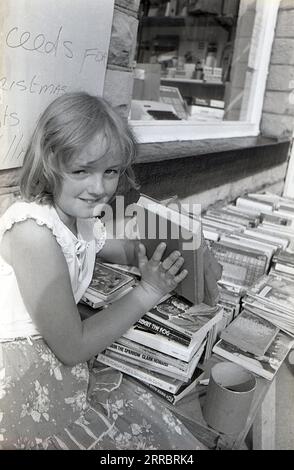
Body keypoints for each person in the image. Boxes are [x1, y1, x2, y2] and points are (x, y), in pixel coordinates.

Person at [0, 92, 210, 450]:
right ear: (50, 162)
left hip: (55, 352)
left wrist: (181, 244)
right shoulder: (33, 231)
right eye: (82, 170)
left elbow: (126, 249)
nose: (99, 188)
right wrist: (147, 292)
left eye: (110, 172)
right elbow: (73, 346)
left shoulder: (79, 219)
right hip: (23, 370)